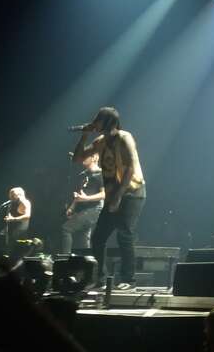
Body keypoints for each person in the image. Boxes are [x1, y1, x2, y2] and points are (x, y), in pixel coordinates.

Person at [72, 107, 145, 291]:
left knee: (124, 234)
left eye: (98, 120)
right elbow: (78, 158)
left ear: (109, 122)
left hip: (131, 192)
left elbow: (129, 168)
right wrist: (84, 136)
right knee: (98, 238)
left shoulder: (124, 137)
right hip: (114, 195)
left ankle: (129, 280)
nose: (94, 123)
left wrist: (118, 196)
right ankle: (100, 278)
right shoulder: (100, 141)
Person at [60, 152, 104, 254]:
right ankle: (87, 263)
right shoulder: (83, 174)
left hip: (94, 209)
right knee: (83, 239)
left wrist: (86, 198)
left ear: (94, 158)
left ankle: (65, 259)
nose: (82, 158)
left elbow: (103, 194)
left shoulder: (101, 174)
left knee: (66, 229)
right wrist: (72, 207)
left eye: (85, 156)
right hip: (83, 209)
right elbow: (80, 195)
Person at [3, 187, 31, 252]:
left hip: (21, 232)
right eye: (10, 195)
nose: (10, 197)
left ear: (19, 194)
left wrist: (13, 219)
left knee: (18, 252)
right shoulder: (12, 204)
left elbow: (27, 215)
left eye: (12, 195)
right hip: (14, 233)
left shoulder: (25, 202)